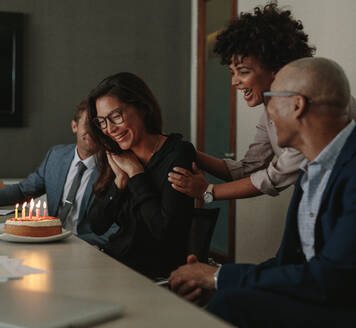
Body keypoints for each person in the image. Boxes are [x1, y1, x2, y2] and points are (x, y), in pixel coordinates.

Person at [169, 57, 356, 327]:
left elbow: (332, 280)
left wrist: (218, 278)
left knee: (232, 306)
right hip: (318, 299)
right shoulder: (310, 172)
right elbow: (288, 265)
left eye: (271, 99)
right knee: (227, 301)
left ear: (297, 105)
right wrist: (218, 279)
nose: (267, 112)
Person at [168, 3, 355, 202]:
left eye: (244, 72)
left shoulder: (308, 109)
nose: (234, 81)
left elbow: (275, 176)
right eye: (232, 73)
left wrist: (208, 192)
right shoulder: (272, 111)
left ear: (275, 68)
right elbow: (248, 168)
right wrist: (187, 151)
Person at [87, 72, 197, 278]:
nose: (110, 129)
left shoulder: (177, 153)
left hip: (154, 276)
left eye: (116, 116)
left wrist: (136, 174)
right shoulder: (118, 155)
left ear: (143, 108)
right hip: (115, 266)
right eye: (102, 121)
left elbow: (164, 233)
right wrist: (119, 182)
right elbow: (96, 225)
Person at [0, 99, 117, 247]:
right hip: (49, 243)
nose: (92, 130)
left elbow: (115, 230)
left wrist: (80, 243)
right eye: (87, 124)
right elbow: (23, 189)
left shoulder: (115, 168)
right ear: (74, 126)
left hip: (87, 248)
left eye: (97, 125)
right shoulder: (56, 156)